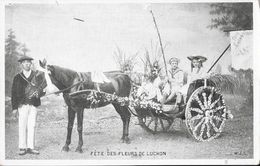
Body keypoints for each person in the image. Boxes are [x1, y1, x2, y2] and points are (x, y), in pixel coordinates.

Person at [11, 55, 46, 155]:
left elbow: (42, 90)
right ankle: (22, 147)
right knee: (22, 125)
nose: (27, 64)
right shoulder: (17, 77)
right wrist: (14, 108)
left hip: (33, 105)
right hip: (22, 105)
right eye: (25, 62)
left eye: (29, 62)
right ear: (21, 64)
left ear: (31, 64)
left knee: (32, 126)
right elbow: (13, 93)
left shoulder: (37, 76)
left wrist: (41, 92)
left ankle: (31, 147)